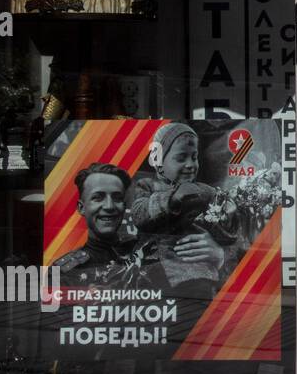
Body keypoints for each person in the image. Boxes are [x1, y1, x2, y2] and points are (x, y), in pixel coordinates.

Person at [126, 123, 236, 299]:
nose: (190, 164)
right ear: (158, 160)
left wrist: (228, 216)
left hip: (198, 273)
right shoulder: (148, 186)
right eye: (181, 158)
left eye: (194, 157)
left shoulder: (206, 191)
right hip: (153, 269)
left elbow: (228, 236)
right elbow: (139, 214)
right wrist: (173, 198)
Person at [52, 162, 169, 292]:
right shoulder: (65, 272)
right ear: (81, 208)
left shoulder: (145, 254)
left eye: (117, 198)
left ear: (124, 206)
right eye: (98, 198)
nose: (109, 206)